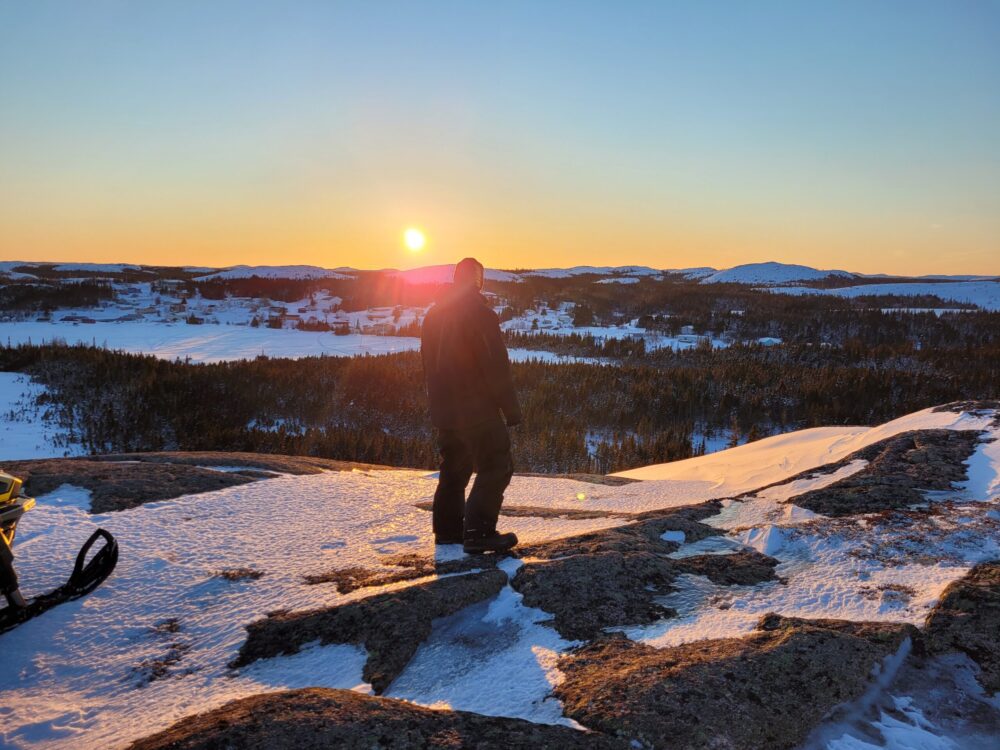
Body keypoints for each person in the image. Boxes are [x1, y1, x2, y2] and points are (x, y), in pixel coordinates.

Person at [421, 257, 521, 554]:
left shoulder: (433, 316)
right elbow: (495, 366)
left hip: (446, 411)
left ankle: (448, 531)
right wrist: (511, 409)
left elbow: (428, 365)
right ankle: (478, 532)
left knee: (454, 468)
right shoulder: (480, 314)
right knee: (497, 464)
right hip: (477, 409)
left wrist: (438, 405)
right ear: (478, 280)